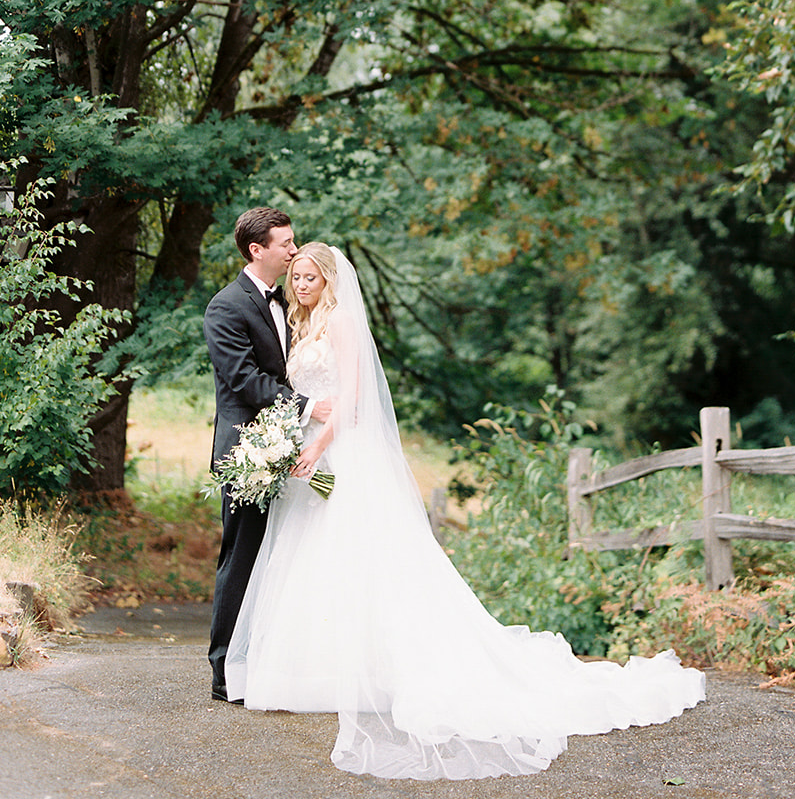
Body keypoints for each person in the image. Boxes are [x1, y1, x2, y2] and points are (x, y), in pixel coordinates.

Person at [224, 242, 705, 779]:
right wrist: (296, 442)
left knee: (360, 554)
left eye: (310, 277)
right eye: (296, 277)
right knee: (312, 556)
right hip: (308, 460)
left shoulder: (338, 325)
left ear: (331, 280)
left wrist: (317, 445)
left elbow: (355, 398)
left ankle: (374, 671)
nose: (301, 285)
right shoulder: (299, 324)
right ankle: (316, 670)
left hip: (341, 453)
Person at [203, 206, 332, 703]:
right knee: (242, 557)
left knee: (286, 556)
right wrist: (307, 407)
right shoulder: (226, 307)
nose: (294, 250)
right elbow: (243, 380)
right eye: (285, 243)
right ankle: (224, 669)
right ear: (257, 250)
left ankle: (270, 662)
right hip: (248, 453)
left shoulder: (295, 306)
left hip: (294, 450)